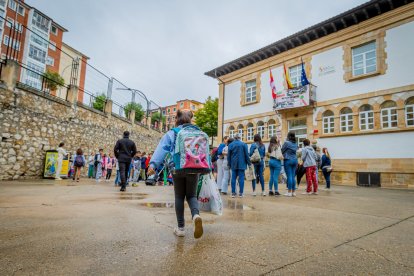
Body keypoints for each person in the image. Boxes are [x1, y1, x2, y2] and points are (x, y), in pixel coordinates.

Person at [148, 110, 204, 239]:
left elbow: (162, 148)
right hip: (194, 168)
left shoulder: (173, 133)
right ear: (190, 120)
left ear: (177, 120)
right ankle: (196, 215)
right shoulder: (198, 133)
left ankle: (181, 228)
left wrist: (153, 165)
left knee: (179, 196)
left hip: (177, 168)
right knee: (191, 195)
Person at [281, 132, 298, 197]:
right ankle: (293, 192)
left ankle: (289, 192)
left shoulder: (286, 143)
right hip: (295, 160)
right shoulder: (295, 143)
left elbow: (282, 150)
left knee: (289, 176)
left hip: (288, 160)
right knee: (293, 176)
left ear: (288, 136)